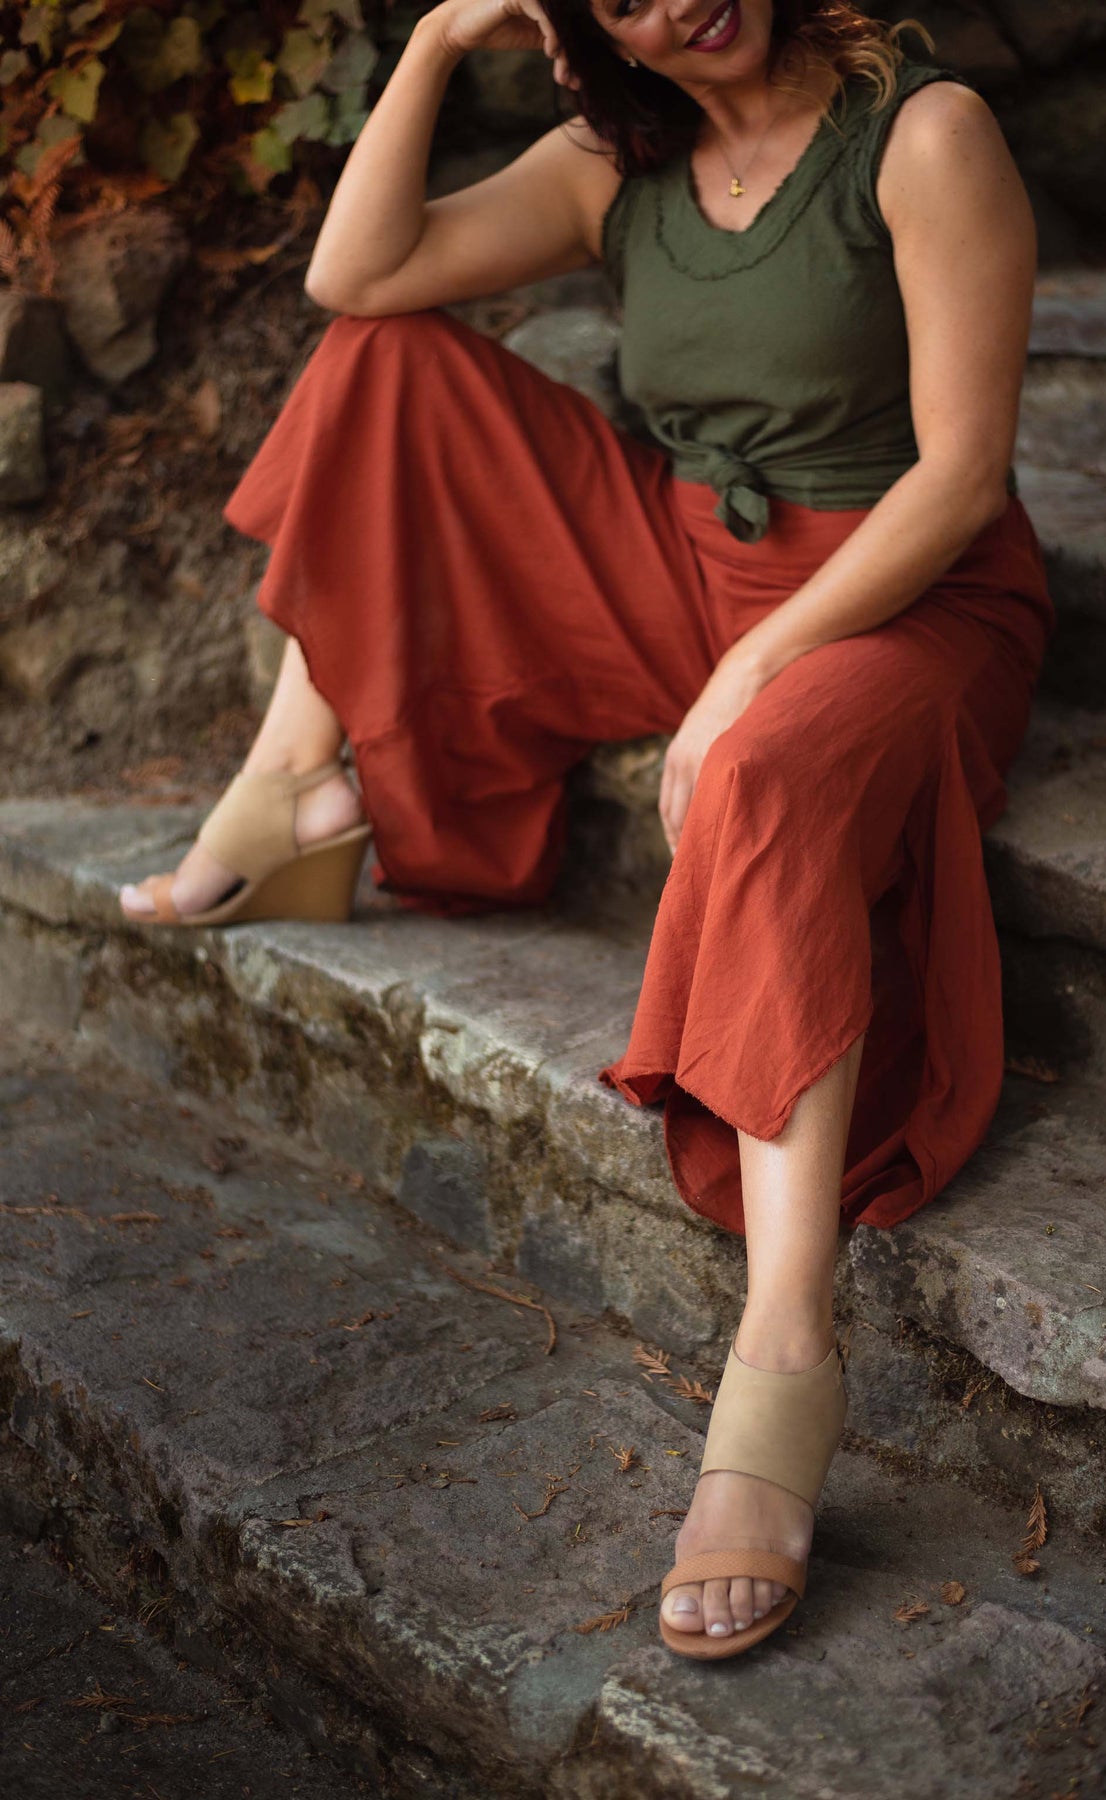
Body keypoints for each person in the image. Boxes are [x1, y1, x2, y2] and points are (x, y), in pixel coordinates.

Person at [118, 0, 1054, 1660]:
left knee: (760, 775)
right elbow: (354, 276)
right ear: (578, 21)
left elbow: (960, 477)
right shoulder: (611, 163)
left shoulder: (920, 136)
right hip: (686, 566)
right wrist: (430, 43)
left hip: (901, 602)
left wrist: (749, 675)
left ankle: (783, 1349)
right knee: (383, 362)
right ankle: (291, 787)